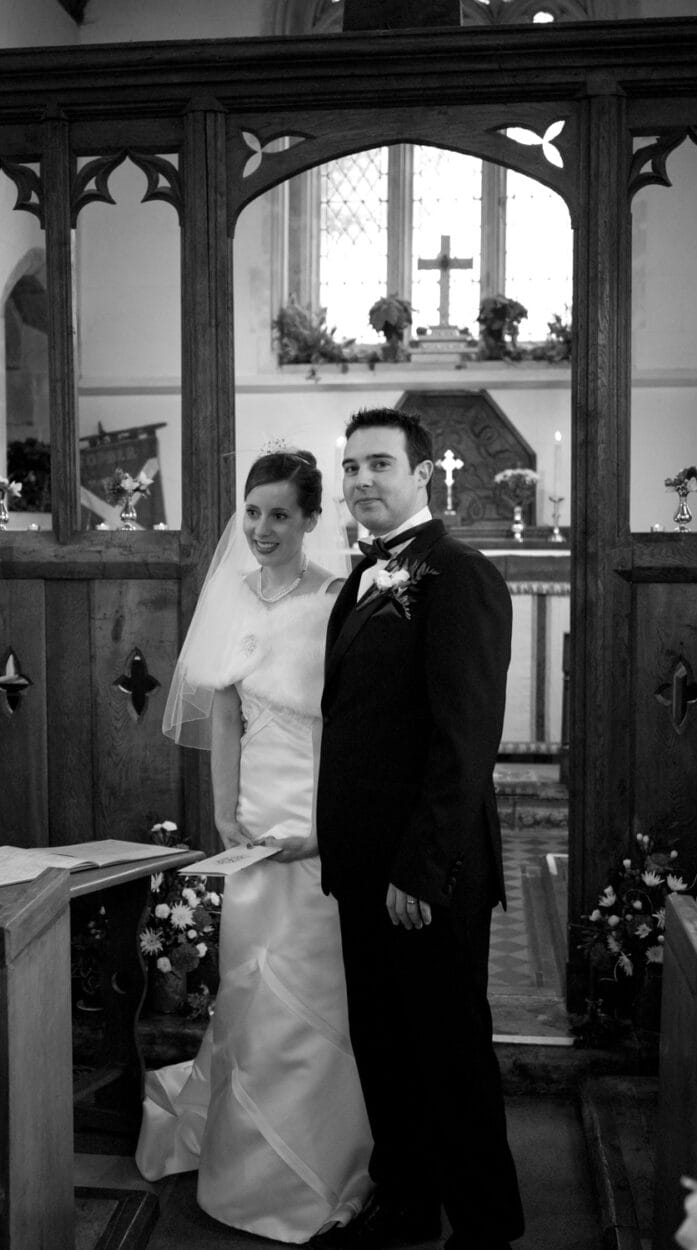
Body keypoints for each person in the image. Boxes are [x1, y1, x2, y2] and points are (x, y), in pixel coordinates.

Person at [135, 447, 373, 1245]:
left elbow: (352, 730)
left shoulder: (341, 600)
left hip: (317, 823)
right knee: (246, 991)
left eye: (280, 513)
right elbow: (227, 718)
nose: (264, 528)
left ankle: (323, 1171)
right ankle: (242, 1173)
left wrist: (329, 829)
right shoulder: (230, 597)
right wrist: (224, 818)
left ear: (311, 519)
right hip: (252, 828)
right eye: (253, 512)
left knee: (318, 995)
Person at [313, 408, 525, 1250]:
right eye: (352, 467)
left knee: (447, 1049)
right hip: (363, 863)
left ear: (422, 472)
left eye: (379, 465)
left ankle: (485, 1225)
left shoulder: (456, 573)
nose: (362, 480)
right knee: (384, 1042)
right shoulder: (365, 576)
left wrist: (418, 867)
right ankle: (404, 1206)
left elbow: (464, 739)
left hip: (423, 872)